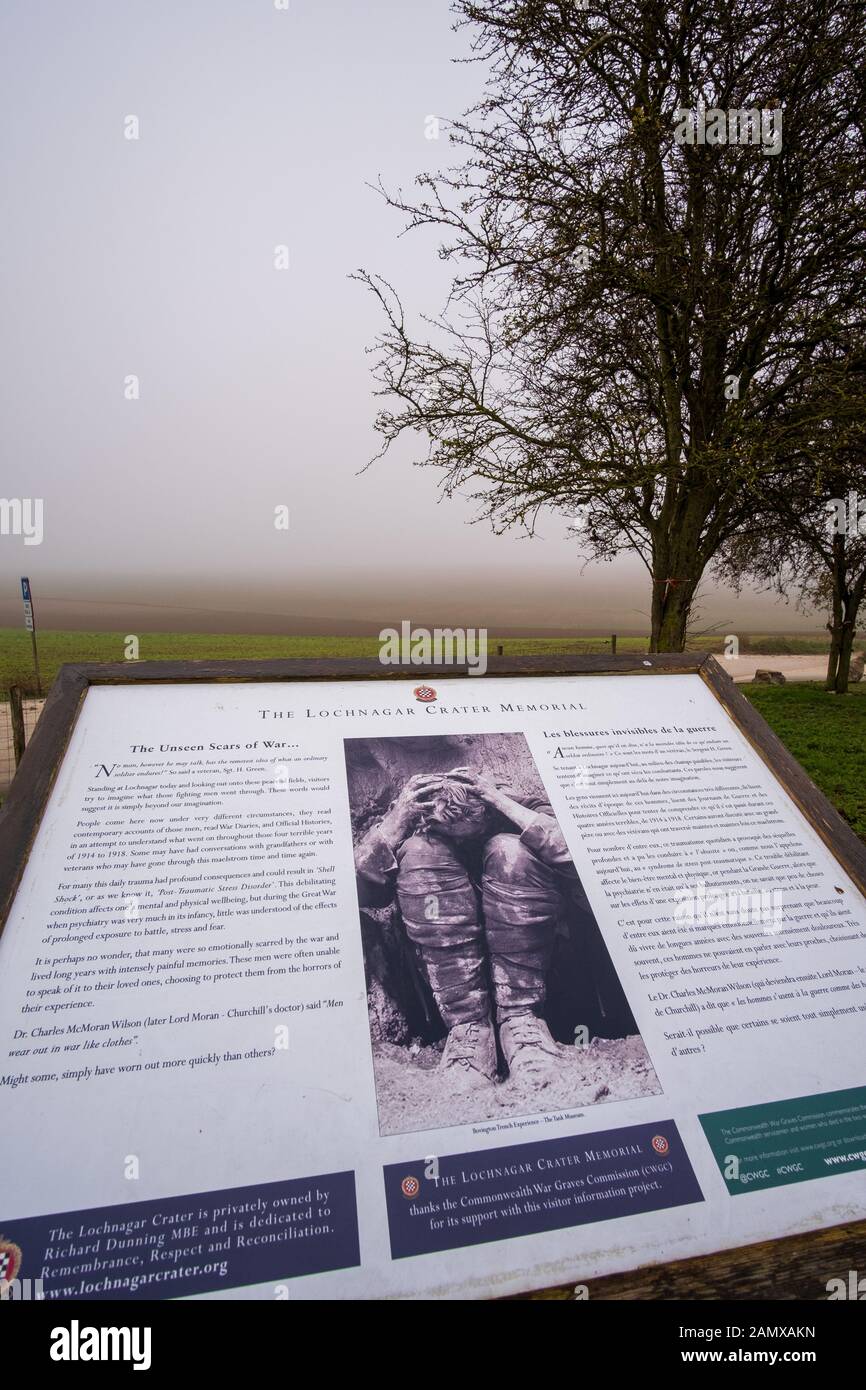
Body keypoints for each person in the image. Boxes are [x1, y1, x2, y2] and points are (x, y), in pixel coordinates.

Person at [354, 766, 585, 1092]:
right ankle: (467, 1032)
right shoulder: (416, 819)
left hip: (538, 967)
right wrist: (396, 824)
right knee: (421, 853)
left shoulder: (511, 805)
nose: (464, 849)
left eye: (472, 837)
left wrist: (500, 801)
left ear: (488, 814)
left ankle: (523, 1025)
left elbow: (584, 859)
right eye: (452, 840)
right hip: (448, 981)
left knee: (510, 851)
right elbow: (357, 891)